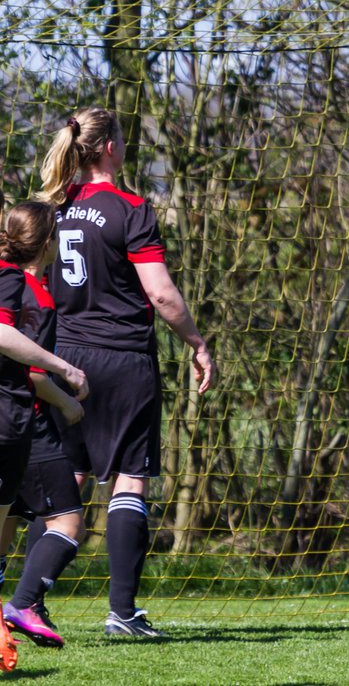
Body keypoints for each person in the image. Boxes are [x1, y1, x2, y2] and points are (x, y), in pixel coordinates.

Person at [38, 106, 216, 638]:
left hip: (62, 360)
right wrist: (197, 342)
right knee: (128, 480)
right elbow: (160, 293)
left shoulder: (52, 206)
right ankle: (122, 613)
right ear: (111, 147)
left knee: (63, 487)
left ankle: (28, 601)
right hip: (122, 359)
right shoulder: (131, 207)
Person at [0, 204, 90, 669]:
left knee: (6, 531)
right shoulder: (30, 290)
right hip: (25, 424)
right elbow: (32, 373)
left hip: (18, 422)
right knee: (68, 521)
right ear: (50, 242)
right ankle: (25, 603)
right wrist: (67, 396)